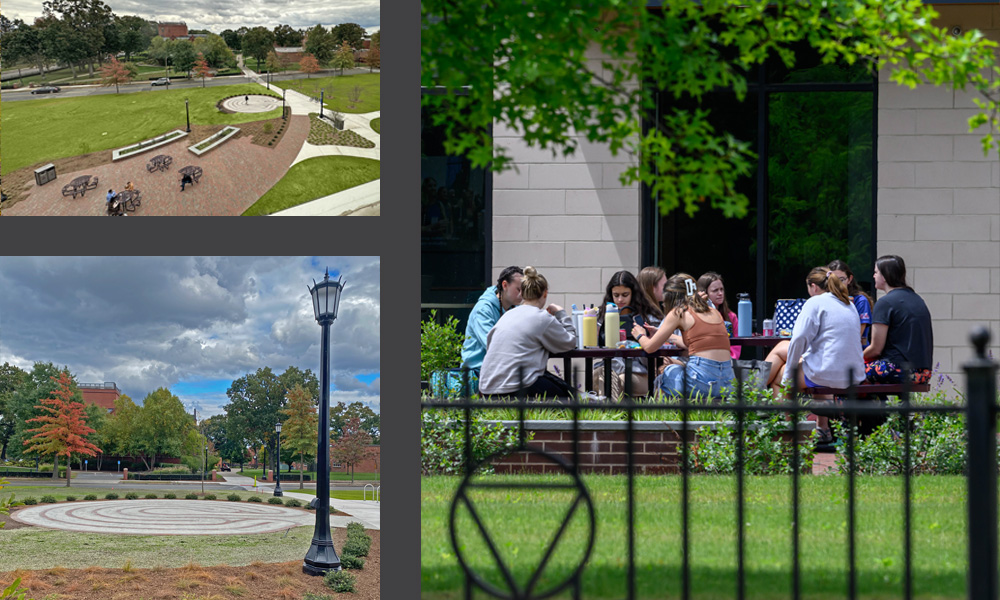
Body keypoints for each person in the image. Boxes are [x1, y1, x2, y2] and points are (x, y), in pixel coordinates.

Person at [773, 267, 865, 442]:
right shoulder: (848, 304)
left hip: (828, 372)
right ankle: (823, 429)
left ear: (813, 287)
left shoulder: (815, 302)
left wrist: (789, 373)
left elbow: (799, 338)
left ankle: (788, 431)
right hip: (852, 374)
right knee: (796, 360)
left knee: (781, 375)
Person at [631, 275, 735, 399]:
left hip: (701, 382)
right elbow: (694, 343)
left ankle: (664, 416)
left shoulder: (679, 312)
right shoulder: (713, 311)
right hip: (728, 383)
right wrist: (663, 334)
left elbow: (649, 347)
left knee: (668, 371)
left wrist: (640, 334)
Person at [479, 266, 578, 398]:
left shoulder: (507, 316)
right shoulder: (542, 317)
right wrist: (560, 313)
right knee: (569, 399)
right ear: (545, 293)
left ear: (522, 293)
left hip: (488, 390)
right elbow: (570, 342)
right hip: (516, 388)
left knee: (558, 384)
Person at [863, 255, 933, 384]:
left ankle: (875, 404)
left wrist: (858, 357)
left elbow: (876, 348)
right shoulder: (917, 299)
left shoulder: (885, 303)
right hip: (923, 373)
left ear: (884, 275)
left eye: (876, 272)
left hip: (897, 369)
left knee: (848, 373)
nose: (873, 276)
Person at [593, 270, 664, 398]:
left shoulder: (648, 317)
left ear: (634, 294)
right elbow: (592, 353)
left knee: (619, 378)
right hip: (610, 367)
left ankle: (612, 414)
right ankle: (614, 414)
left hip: (640, 371)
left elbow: (654, 357)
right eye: (616, 295)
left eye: (625, 295)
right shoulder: (602, 316)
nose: (620, 299)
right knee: (600, 373)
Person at [460, 266, 524, 375]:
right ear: (504, 285)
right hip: (476, 372)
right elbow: (492, 344)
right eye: (518, 289)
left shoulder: (515, 309)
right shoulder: (483, 310)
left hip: (500, 370)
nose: (522, 294)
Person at [828, 259, 874, 348]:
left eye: (841, 280)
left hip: (857, 353)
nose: (837, 285)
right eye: (833, 280)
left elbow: (857, 336)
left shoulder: (860, 301)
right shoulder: (824, 300)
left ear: (849, 279)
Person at [697, 272, 741, 360]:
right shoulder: (696, 315)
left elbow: (736, 348)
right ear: (704, 293)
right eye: (715, 290)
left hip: (727, 362)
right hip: (704, 360)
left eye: (721, 289)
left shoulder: (731, 316)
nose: (720, 293)